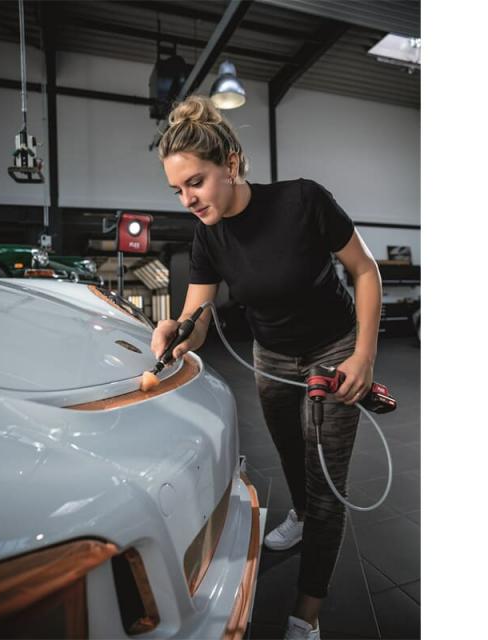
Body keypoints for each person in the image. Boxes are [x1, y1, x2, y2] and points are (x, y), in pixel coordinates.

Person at [150, 95, 382, 640]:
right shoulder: (208, 235)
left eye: (195, 183)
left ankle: (306, 616)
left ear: (230, 163)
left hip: (334, 349)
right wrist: (176, 332)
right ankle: (298, 516)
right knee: (291, 454)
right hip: (271, 356)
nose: (188, 199)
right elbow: (197, 318)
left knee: (326, 485)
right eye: (177, 190)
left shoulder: (303, 200)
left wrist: (364, 355)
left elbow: (365, 270)